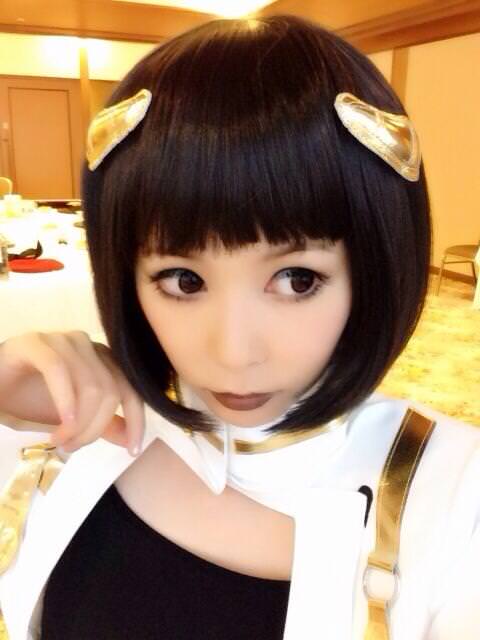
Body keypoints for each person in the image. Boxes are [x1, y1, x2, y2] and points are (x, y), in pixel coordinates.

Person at [0, 14, 478, 640]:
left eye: (297, 280)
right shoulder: (63, 440)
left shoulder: (456, 495)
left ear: (374, 268)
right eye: (183, 280)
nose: (233, 353)